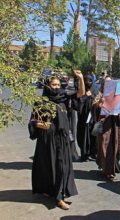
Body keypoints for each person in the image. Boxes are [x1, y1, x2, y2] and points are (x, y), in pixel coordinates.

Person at [29, 70, 84, 210]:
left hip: (62, 139)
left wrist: (81, 78)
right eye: (53, 84)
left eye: (58, 84)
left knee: (62, 167)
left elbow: (80, 94)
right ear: (47, 85)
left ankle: (60, 197)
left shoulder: (64, 97)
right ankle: (50, 190)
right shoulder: (41, 102)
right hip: (46, 140)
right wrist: (41, 124)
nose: (56, 87)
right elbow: (32, 121)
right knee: (48, 166)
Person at [93, 76, 120, 181]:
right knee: (104, 146)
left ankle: (111, 168)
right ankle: (107, 170)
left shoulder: (118, 95)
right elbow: (94, 105)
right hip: (104, 124)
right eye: (107, 82)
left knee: (115, 146)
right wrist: (99, 104)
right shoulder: (100, 94)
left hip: (116, 125)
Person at [77, 74, 98, 161]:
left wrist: (91, 96)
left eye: (89, 81)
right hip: (83, 118)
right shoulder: (81, 90)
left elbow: (98, 101)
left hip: (93, 117)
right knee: (83, 136)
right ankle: (84, 154)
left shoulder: (95, 90)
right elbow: (79, 102)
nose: (87, 82)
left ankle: (92, 153)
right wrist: (85, 96)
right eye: (85, 81)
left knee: (93, 136)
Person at [60, 75, 79, 161]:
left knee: (72, 133)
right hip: (62, 114)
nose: (64, 80)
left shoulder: (71, 89)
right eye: (63, 78)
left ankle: (71, 153)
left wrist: (79, 78)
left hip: (70, 114)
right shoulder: (59, 91)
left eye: (66, 78)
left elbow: (78, 93)